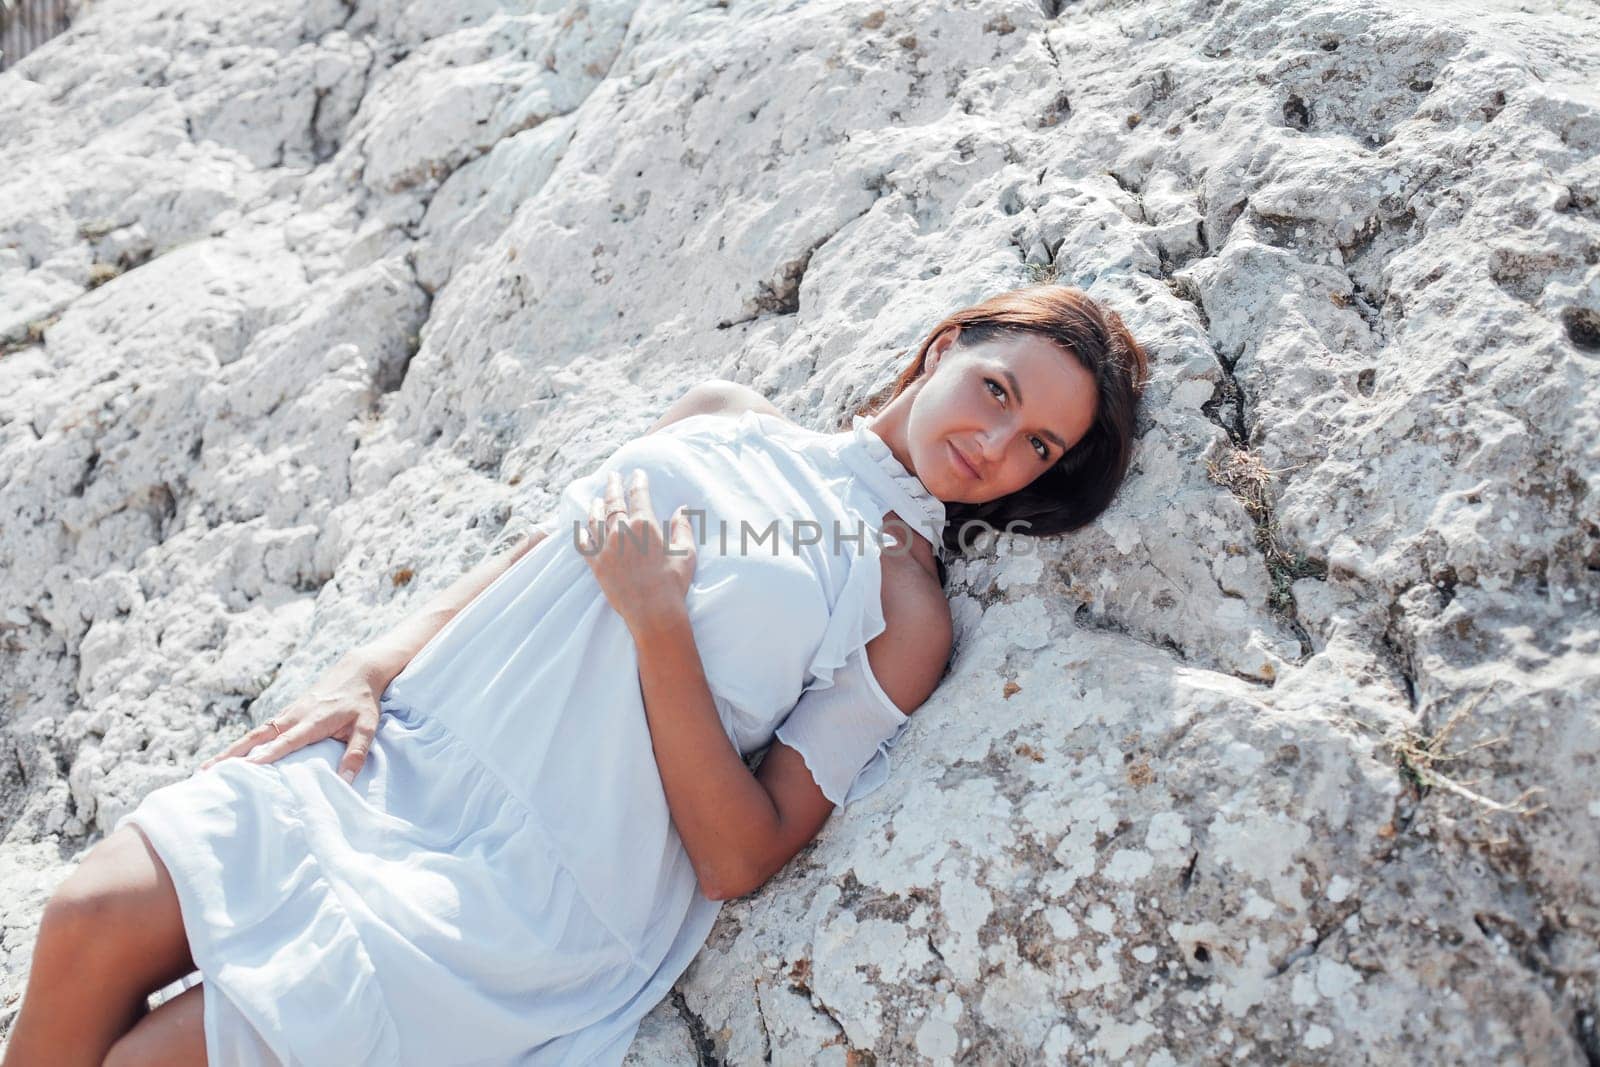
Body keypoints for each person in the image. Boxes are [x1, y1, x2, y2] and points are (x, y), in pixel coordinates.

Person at [1, 284, 1148, 1066]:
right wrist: (367, 663)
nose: (997, 445)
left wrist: (661, 625)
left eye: (1038, 447)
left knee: (155, 1057)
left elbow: (739, 854)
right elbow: (529, 568)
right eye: (1000, 391)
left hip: (528, 887)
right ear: (947, 345)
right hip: (412, 754)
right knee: (89, 914)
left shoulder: (904, 610)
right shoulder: (720, 417)